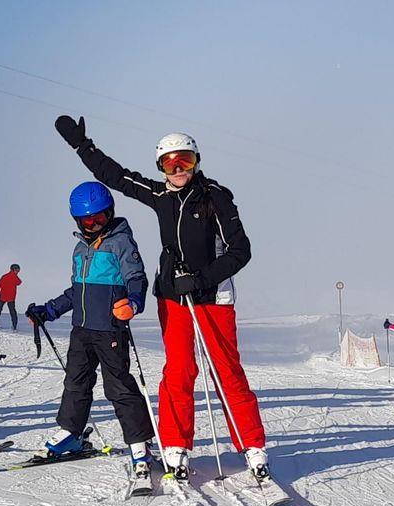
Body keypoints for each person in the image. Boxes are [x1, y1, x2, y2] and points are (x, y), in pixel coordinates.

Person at [52, 116, 270, 482]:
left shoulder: (215, 197)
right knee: (179, 372)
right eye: (170, 163)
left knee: (227, 372)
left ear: (196, 161)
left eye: (185, 160)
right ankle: (175, 445)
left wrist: (200, 279)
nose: (178, 169)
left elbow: (241, 250)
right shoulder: (161, 197)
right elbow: (115, 176)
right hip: (173, 299)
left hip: (213, 297)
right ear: (161, 167)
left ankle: (252, 446)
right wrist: (82, 146)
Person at [26, 183, 155, 479]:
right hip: (81, 330)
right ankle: (71, 433)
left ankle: (140, 444)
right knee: (75, 382)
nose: (94, 224)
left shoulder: (121, 242)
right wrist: (49, 310)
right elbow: (77, 291)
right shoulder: (79, 249)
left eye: (100, 218)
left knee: (118, 386)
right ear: (77, 221)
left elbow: (137, 278)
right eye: (88, 221)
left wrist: (134, 303)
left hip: (109, 330)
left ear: (110, 213)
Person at [0, 264, 22, 328]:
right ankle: (14, 326)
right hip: (11, 298)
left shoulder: (4, 276)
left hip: (2, 297)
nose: (18, 272)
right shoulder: (15, 277)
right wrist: (15, 275)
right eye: (17, 270)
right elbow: (19, 282)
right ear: (13, 270)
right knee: (12, 311)